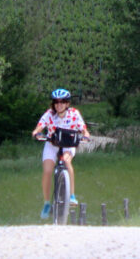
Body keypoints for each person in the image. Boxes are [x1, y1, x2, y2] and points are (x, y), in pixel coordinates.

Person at [31, 88, 90, 219]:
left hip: (69, 144)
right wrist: (37, 133)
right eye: (56, 102)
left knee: (66, 161)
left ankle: (72, 196)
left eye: (62, 101)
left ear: (67, 103)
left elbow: (84, 130)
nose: (59, 104)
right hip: (52, 144)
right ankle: (47, 203)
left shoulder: (74, 114)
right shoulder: (49, 114)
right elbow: (39, 127)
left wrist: (85, 136)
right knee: (47, 170)